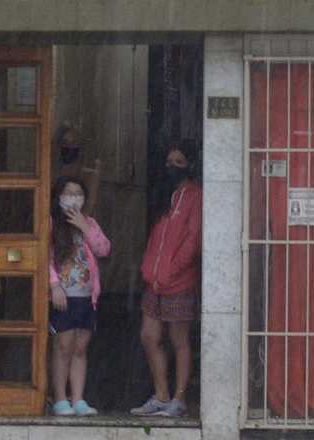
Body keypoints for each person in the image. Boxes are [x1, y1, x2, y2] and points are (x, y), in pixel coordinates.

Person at [131, 141, 203, 418]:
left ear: (190, 164)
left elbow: (192, 240)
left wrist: (172, 269)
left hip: (178, 281)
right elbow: (155, 239)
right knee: (149, 336)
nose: (172, 167)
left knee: (179, 340)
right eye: (169, 161)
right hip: (154, 280)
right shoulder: (164, 195)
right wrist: (149, 269)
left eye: (179, 162)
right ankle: (161, 394)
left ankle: (179, 398)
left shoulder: (196, 196)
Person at [48, 176, 111, 416]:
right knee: (63, 345)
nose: (74, 198)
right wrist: (54, 286)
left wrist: (85, 227)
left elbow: (104, 249)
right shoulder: (52, 222)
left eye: (78, 193)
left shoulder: (90, 223)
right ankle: (60, 398)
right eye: (69, 193)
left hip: (86, 296)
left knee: (80, 347)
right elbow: (44, 257)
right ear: (59, 196)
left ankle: (78, 399)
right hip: (63, 295)